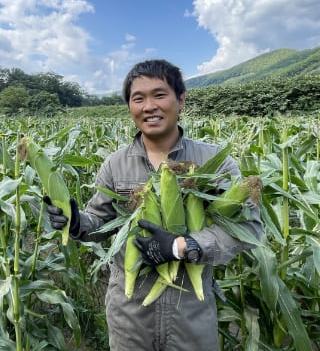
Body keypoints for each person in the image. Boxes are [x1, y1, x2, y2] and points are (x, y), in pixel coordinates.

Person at [44, 59, 263, 351]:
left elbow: (249, 229)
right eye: (139, 98)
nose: (149, 106)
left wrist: (182, 246)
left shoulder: (215, 162)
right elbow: (99, 222)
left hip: (191, 311)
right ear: (130, 107)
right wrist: (77, 223)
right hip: (129, 313)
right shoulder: (116, 164)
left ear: (181, 100)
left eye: (159, 95)